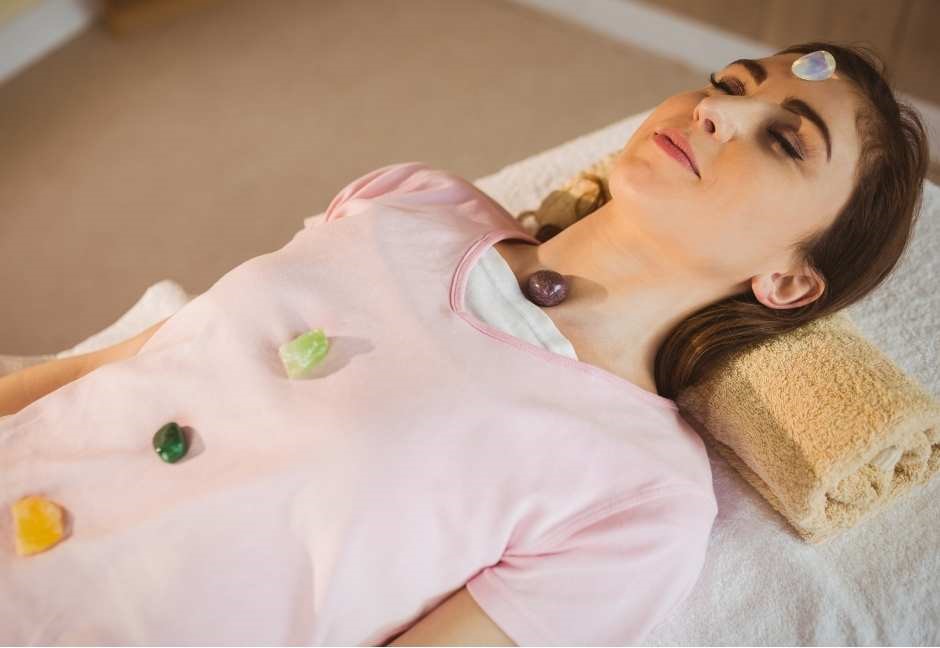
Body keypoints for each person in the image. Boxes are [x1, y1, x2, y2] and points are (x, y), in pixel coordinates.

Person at [0, 41, 929, 646]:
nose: (717, 112)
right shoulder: (415, 201)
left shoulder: (639, 496)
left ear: (789, 281)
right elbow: (118, 365)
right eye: (728, 83)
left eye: (785, 142)